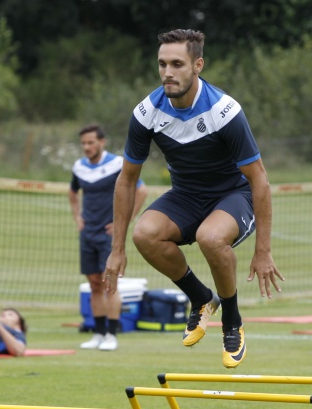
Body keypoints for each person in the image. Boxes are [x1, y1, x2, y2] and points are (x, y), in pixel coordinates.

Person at [104, 29, 284, 369]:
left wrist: (263, 251)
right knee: (144, 234)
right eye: (162, 64)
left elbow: (259, 180)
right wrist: (117, 250)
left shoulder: (224, 111)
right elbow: (127, 180)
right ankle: (201, 298)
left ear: (197, 65)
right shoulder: (147, 112)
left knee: (210, 238)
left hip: (234, 196)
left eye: (177, 64)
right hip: (186, 196)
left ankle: (232, 320)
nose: (168, 72)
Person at [70, 124, 148, 351]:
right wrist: (78, 217)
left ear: (101, 142)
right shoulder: (79, 167)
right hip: (88, 234)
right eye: (83, 143)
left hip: (109, 236)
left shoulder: (117, 164)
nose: (87, 147)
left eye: (91, 142)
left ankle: (112, 335)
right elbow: (72, 192)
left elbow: (141, 190)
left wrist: (124, 222)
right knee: (94, 284)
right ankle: (98, 333)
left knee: (109, 285)